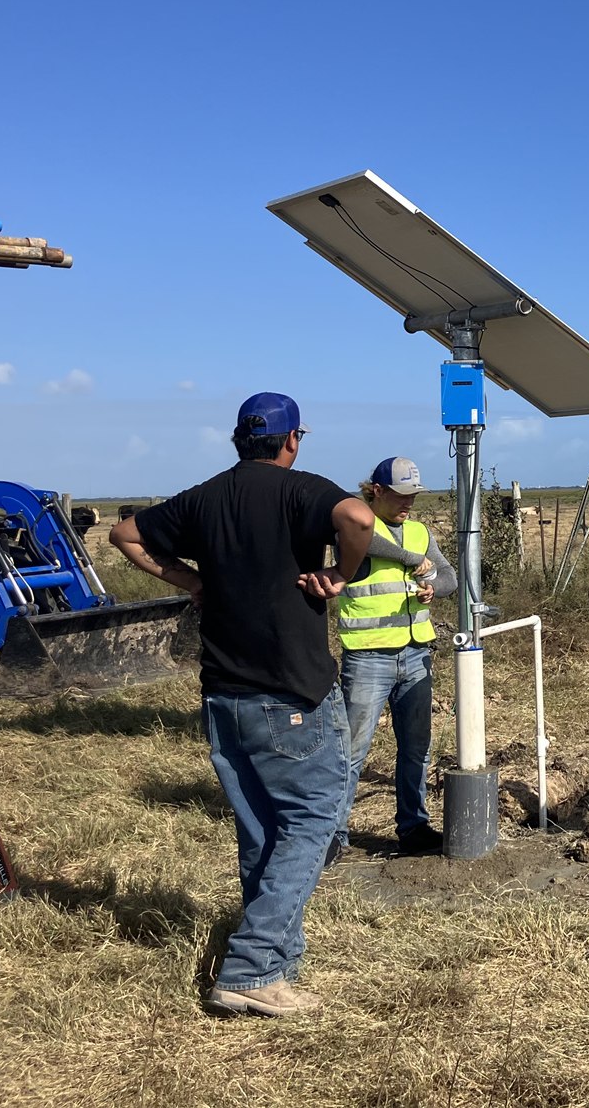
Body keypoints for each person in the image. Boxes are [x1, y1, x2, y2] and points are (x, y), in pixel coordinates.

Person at [111, 392, 374, 1017]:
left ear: (238, 440)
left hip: (223, 694)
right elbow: (360, 520)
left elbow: (126, 535)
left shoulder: (204, 497)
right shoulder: (300, 490)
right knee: (312, 821)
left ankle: (276, 967)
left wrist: (193, 581)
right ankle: (252, 967)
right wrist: (342, 572)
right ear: (292, 441)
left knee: (261, 830)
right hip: (292, 695)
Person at [335, 456, 458, 858]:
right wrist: (409, 560)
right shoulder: (357, 524)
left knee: (416, 748)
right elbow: (366, 542)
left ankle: (414, 827)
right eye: (401, 496)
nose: (409, 504)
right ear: (376, 491)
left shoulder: (420, 532)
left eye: (414, 496)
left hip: (415, 653)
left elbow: (449, 577)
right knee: (352, 751)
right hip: (368, 658)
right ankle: (332, 837)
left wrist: (432, 588)